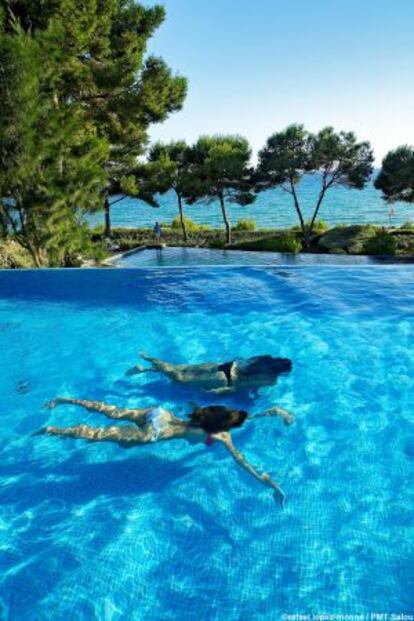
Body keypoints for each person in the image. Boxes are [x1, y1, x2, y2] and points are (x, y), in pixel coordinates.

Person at [36, 397, 294, 506]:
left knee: (111, 411)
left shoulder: (213, 413)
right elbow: (243, 463)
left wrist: (274, 411)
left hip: (158, 413)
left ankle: (63, 400)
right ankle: (52, 430)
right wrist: (270, 485)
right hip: (156, 433)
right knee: (100, 435)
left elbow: (243, 419)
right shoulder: (221, 435)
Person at [126, 353, 292, 394]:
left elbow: (244, 366)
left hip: (227, 366)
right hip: (227, 379)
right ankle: (152, 360)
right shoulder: (271, 379)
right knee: (181, 379)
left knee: (184, 369)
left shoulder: (263, 360)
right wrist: (218, 393)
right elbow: (241, 385)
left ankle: (146, 367)